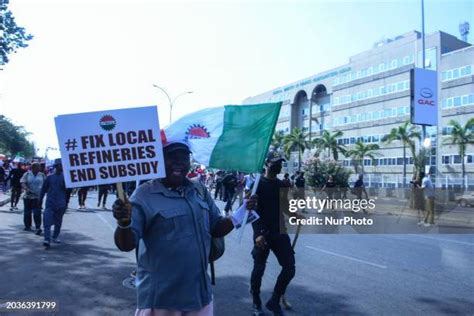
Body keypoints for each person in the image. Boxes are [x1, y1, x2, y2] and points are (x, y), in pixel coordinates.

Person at [112, 141, 256, 315]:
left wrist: (242, 211)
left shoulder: (199, 189)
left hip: (200, 295)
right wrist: (124, 223)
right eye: (172, 156)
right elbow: (126, 244)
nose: (179, 161)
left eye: (184, 157)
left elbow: (216, 227)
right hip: (162, 301)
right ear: (158, 160)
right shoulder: (144, 194)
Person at [250, 152, 300, 316]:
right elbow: (252, 213)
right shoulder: (257, 185)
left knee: (289, 268)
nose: (278, 166)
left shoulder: (281, 185)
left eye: (280, 163)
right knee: (259, 269)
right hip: (262, 234)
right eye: (275, 163)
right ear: (266, 164)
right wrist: (258, 234)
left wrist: (295, 215)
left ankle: (274, 300)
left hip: (280, 231)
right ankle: (256, 302)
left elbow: (285, 207)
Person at [40, 159, 68, 249]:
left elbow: (68, 192)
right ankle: (47, 239)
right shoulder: (49, 177)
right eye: (60, 165)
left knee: (58, 222)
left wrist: (66, 203)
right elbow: (43, 190)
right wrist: (40, 200)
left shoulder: (66, 178)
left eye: (62, 165)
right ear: (56, 166)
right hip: (50, 203)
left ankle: (55, 236)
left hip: (61, 203)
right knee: (47, 221)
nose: (61, 167)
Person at [20, 162, 46, 234]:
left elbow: (45, 184)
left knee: (37, 212)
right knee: (27, 212)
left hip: (37, 196)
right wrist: (26, 188)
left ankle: (38, 227)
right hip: (28, 196)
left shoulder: (42, 175)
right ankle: (27, 226)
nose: (40, 168)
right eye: (38, 167)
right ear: (33, 167)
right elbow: (23, 182)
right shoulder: (27, 174)